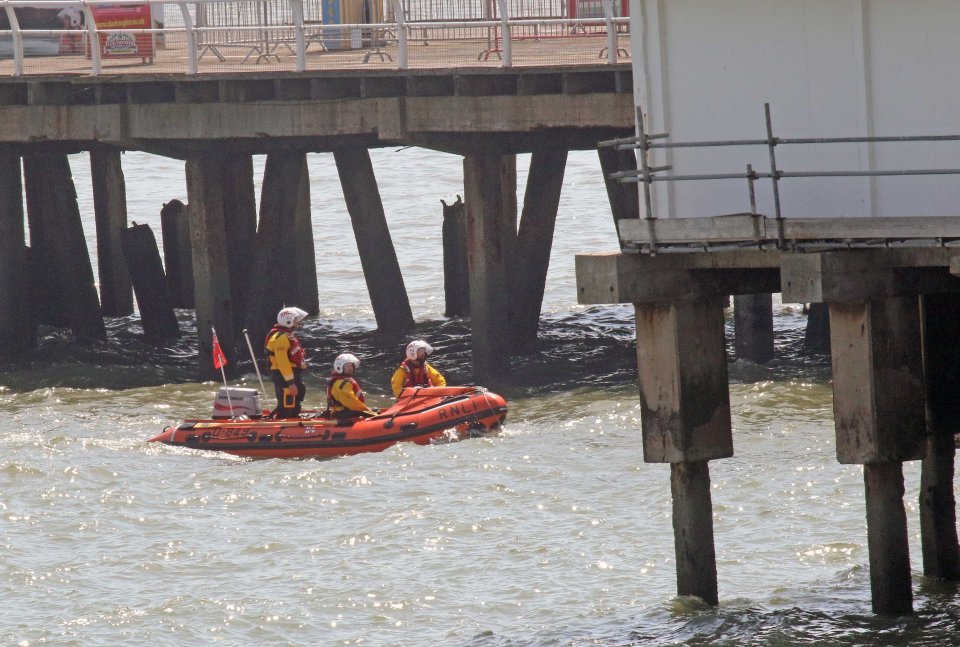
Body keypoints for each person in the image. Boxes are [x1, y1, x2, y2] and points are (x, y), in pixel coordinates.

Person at [264, 307, 308, 418]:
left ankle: (291, 417)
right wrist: (291, 383)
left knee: (295, 401)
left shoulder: (286, 336)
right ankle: (284, 420)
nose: (297, 323)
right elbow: (282, 362)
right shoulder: (281, 338)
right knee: (288, 405)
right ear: (288, 321)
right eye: (295, 320)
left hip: (291, 375)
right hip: (284, 377)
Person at [327, 353, 377, 420]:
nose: (350, 368)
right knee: (371, 413)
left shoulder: (342, 381)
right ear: (340, 366)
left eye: (351, 365)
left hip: (344, 411)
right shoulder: (343, 384)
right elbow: (351, 403)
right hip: (343, 413)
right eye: (347, 365)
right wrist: (368, 410)